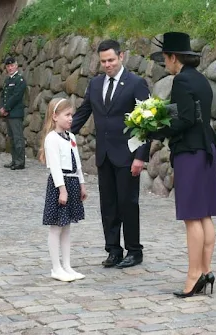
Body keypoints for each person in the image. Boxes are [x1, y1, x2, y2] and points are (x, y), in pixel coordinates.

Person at [149, 32, 216, 297]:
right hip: (207, 149)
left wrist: (154, 131)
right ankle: (205, 271)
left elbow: (185, 120)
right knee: (204, 215)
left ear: (173, 57)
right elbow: (194, 114)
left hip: (190, 152)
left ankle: (194, 276)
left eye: (165, 59)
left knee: (192, 217)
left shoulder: (181, 80)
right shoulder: (200, 79)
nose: (164, 64)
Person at [71, 40, 150, 269]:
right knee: (108, 205)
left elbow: (147, 122)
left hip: (128, 155)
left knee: (128, 203)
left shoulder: (136, 83)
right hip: (104, 154)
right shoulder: (95, 84)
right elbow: (84, 112)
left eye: (111, 60)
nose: (107, 65)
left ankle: (134, 250)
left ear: (121, 56)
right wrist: (62, 134)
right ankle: (113, 250)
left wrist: (140, 157)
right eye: (103, 61)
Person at [39, 98, 88, 282]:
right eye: (67, 115)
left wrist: (81, 184)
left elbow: (78, 164)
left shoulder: (71, 137)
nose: (70, 119)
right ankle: (56, 267)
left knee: (66, 226)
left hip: (73, 181)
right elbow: (55, 167)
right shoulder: (52, 138)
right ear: (55, 116)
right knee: (56, 226)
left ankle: (67, 265)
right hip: (60, 184)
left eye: (71, 115)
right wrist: (62, 189)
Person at [0, 56, 27, 170]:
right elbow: (3, 96)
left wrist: (6, 108)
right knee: (11, 138)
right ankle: (14, 160)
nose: (10, 68)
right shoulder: (8, 80)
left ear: (16, 66)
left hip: (15, 113)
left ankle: (20, 162)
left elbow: (16, 97)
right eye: (8, 66)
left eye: (12, 65)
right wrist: (1, 106)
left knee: (18, 138)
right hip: (9, 114)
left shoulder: (19, 80)